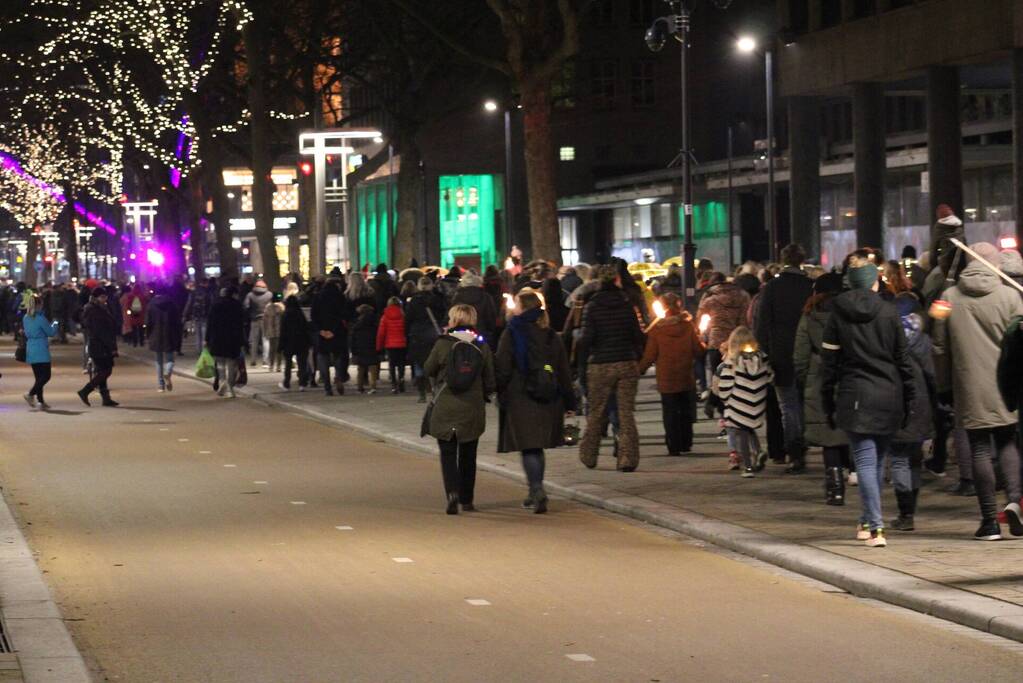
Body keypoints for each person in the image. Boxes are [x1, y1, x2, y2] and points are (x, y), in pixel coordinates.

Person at [932, 242, 1023, 541]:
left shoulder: (947, 297)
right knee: (1008, 442)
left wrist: (943, 385)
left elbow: (938, 344)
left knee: (980, 447)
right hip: (1007, 383)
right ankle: (1015, 503)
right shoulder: (1010, 296)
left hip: (968, 383)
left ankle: (989, 521)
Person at [821, 263, 915, 548]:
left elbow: (829, 362)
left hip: (855, 394)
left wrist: (827, 399)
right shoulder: (889, 312)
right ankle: (867, 520)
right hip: (889, 393)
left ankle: (875, 527)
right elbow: (903, 358)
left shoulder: (838, 313)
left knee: (864, 461)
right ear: (875, 283)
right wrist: (909, 397)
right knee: (876, 461)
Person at [495, 291, 575, 513]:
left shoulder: (513, 332)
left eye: (517, 304)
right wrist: (570, 401)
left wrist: (497, 389)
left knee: (528, 447)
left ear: (523, 308)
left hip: (520, 396)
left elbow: (503, 366)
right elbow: (563, 370)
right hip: (548, 396)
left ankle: (537, 489)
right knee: (536, 446)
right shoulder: (550, 335)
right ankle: (535, 490)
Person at [423, 304, 496, 514]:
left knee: (447, 454)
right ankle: (467, 499)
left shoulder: (443, 344)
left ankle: (452, 493)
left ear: (454, 320)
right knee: (468, 455)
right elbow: (490, 379)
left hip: (446, 407)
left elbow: (428, 368)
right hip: (472, 408)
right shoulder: (481, 346)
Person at [576, 265, 647, 472]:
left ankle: (589, 455)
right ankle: (627, 458)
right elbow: (637, 335)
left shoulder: (593, 306)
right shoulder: (626, 304)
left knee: (597, 411)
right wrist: (637, 355)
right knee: (626, 413)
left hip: (600, 364)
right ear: (616, 280)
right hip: (626, 362)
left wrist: (581, 364)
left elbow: (586, 339)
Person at [755, 243, 814, 473]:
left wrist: (764, 352)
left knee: (788, 405)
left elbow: (762, 324)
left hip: (780, 354)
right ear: (802, 260)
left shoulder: (772, 287)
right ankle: (803, 444)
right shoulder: (810, 286)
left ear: (783, 260)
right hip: (807, 353)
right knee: (803, 402)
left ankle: (795, 452)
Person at [793, 273, 851, 506]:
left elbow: (800, 356)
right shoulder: (851, 313)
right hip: (849, 376)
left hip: (819, 378)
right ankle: (854, 472)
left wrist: (805, 380)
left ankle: (835, 489)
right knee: (851, 430)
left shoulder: (810, 316)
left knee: (829, 436)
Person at [888, 301, 936, 532]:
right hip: (921, 401)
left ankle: (905, 513)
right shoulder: (923, 341)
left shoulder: (887, 340)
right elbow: (931, 374)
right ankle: (911, 509)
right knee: (915, 457)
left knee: (898, 458)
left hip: (895, 401)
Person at [639, 293, 705, 456]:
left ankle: (673, 445)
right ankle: (686, 442)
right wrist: (703, 343)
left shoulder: (657, 329)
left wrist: (639, 369)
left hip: (666, 377)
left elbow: (650, 354)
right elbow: (698, 350)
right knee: (685, 410)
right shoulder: (688, 326)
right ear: (678, 304)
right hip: (685, 374)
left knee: (670, 412)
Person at [715, 326, 773, 477]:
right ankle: (758, 451)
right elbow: (769, 376)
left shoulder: (732, 360)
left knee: (742, 433)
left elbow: (725, 384)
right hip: (757, 404)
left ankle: (748, 467)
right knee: (749, 427)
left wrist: (725, 400)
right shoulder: (762, 357)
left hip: (738, 404)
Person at [696, 272, 750, 398]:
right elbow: (746, 320)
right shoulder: (742, 296)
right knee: (737, 374)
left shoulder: (709, 299)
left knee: (717, 375)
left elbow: (700, 318)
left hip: (716, 342)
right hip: (737, 341)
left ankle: (719, 402)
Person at [405, 277, 447, 402]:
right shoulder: (437, 299)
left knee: (419, 363)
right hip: (433, 333)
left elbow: (408, 318)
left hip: (417, 334)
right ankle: (434, 390)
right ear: (431, 285)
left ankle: (422, 393)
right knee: (435, 361)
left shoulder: (414, 300)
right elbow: (444, 316)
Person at [78, 287, 120, 407]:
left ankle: (106, 398)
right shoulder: (93, 310)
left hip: (99, 344)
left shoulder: (99, 308)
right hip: (99, 345)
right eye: (102, 297)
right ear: (95, 297)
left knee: (102, 371)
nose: (105, 299)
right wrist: (111, 347)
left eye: (105, 297)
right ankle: (85, 390)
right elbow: (100, 331)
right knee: (106, 371)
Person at [206, 285, 246, 398]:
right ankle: (230, 387)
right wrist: (242, 340)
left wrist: (207, 338)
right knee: (232, 363)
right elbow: (241, 324)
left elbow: (210, 323)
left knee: (220, 363)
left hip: (217, 337)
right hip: (233, 338)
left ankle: (223, 381)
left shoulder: (215, 305)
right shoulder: (237, 306)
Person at [312, 275, 350, 396]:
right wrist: (333, 330)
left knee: (323, 357)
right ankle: (338, 376)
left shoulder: (318, 297)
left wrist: (321, 330)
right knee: (339, 356)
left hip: (322, 332)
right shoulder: (340, 297)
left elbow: (314, 316)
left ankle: (327, 386)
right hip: (337, 332)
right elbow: (344, 315)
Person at [22, 293, 59, 410]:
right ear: (38, 305)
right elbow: (51, 332)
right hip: (41, 349)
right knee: (46, 376)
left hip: (30, 348)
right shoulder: (40, 318)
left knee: (39, 378)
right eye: (41, 304)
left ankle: (41, 402)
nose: (42, 306)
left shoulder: (25, 317)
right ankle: (30, 394)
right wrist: (55, 323)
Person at [145, 284, 183, 392]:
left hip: (156, 334)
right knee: (170, 359)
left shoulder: (151, 304)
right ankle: (168, 372)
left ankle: (160, 385)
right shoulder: (172, 304)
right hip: (169, 334)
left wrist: (147, 335)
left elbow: (148, 322)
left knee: (158, 360)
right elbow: (177, 322)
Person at [452, 272, 498, 347]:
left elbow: (451, 315)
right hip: (481, 332)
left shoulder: (457, 297)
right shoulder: (486, 297)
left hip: (460, 333)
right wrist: (490, 330)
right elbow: (491, 316)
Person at [278, 293, 311, 391]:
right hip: (301, 341)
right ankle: (302, 384)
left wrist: (280, 346)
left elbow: (283, 331)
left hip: (289, 342)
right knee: (302, 364)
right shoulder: (300, 314)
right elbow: (306, 328)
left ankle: (286, 383)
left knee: (288, 364)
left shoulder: (285, 314)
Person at [376, 296, 407, 393]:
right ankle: (401, 379)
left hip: (390, 345)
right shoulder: (403, 316)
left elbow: (381, 333)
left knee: (392, 365)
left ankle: (394, 384)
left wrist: (379, 346)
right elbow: (406, 330)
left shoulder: (385, 317)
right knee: (401, 364)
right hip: (402, 344)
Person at [351, 304, 380, 393]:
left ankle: (360, 387)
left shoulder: (357, 325)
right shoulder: (375, 323)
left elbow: (353, 339)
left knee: (361, 369)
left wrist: (353, 350)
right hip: (372, 347)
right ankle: (373, 386)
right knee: (373, 368)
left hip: (360, 348)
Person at [242, 279, 272, 366]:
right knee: (266, 340)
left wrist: (250, 313)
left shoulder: (250, 295)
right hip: (266, 319)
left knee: (254, 340)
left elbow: (246, 306)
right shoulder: (269, 294)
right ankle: (265, 360)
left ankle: (253, 360)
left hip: (254, 319)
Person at [262, 292, 284, 372]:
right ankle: (279, 366)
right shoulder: (282, 307)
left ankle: (271, 365)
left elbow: (264, 320)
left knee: (272, 349)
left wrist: (265, 330)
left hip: (270, 330)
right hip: (279, 330)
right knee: (279, 349)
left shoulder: (268, 307)